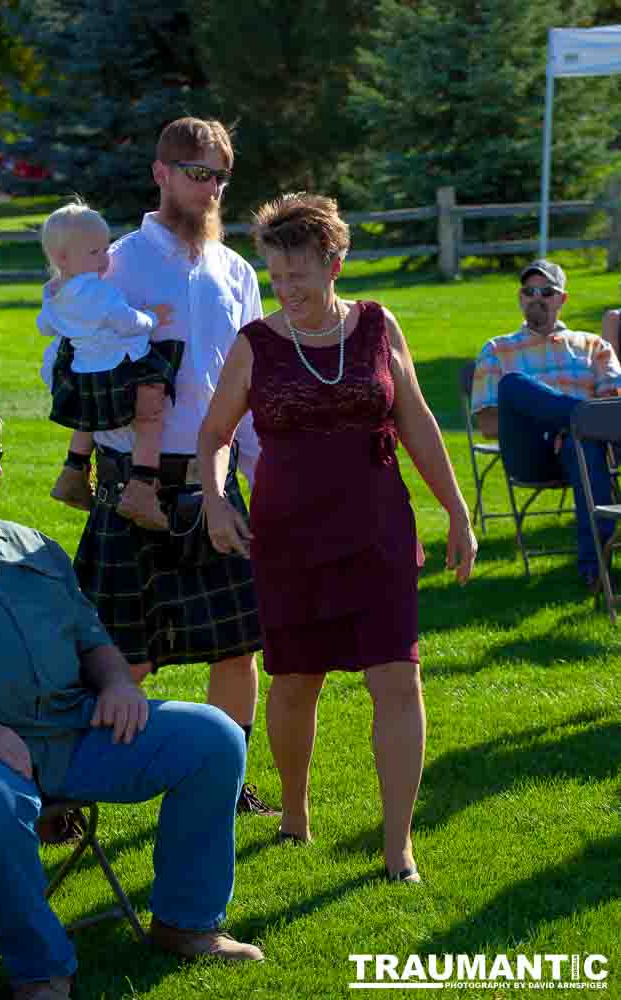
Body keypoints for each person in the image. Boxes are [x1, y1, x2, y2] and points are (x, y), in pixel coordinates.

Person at [197, 193, 477, 882]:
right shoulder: (255, 343)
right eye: (275, 276)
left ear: (335, 263)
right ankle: (294, 813)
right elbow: (213, 436)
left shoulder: (379, 327)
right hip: (288, 535)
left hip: (377, 527)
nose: (285, 289)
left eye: (298, 275)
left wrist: (458, 513)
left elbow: (415, 422)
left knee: (398, 679)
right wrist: (212, 498)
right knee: (294, 684)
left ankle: (396, 846)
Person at [0, 390, 264, 1000]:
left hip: (73, 729)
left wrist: (117, 680)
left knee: (212, 737)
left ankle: (186, 923)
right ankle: (41, 968)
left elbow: (90, 636)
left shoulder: (28, 545)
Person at [72, 118, 275, 816]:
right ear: (160, 172)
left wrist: (258, 469)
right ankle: (83, 786)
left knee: (239, 642)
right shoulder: (116, 263)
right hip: (134, 478)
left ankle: (228, 779)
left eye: (220, 174)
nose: (211, 187)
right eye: (198, 172)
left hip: (215, 480)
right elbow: (65, 363)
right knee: (123, 651)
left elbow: (245, 383)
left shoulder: (235, 270)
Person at [472, 259, 621, 587]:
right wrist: (556, 423)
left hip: (583, 449)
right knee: (513, 384)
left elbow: (613, 407)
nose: (536, 297)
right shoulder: (497, 349)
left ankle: (595, 568)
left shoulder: (595, 346)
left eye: (547, 291)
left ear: (562, 298)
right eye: (529, 291)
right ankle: (579, 420)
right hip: (531, 453)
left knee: (580, 443)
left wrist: (571, 430)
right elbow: (488, 424)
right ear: (520, 297)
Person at [38, 200, 183, 531]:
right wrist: (153, 317)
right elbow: (126, 321)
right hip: (121, 365)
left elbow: (45, 326)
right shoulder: (99, 292)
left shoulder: (55, 293)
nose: (105, 259)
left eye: (105, 249)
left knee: (91, 417)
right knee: (151, 414)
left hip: (85, 370)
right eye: (94, 253)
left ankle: (73, 471)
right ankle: (143, 489)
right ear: (63, 258)